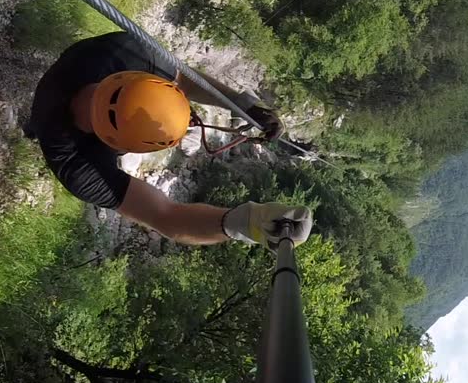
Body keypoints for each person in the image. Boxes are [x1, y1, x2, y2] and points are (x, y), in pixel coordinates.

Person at [25, 31, 312, 248]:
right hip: (55, 112)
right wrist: (244, 223)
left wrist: (241, 104)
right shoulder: (78, 166)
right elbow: (167, 218)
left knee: (46, 116)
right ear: (124, 149)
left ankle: (32, 126)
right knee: (41, 123)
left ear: (138, 79)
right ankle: (31, 128)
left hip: (81, 67)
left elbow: (183, 80)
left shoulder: (131, 51)